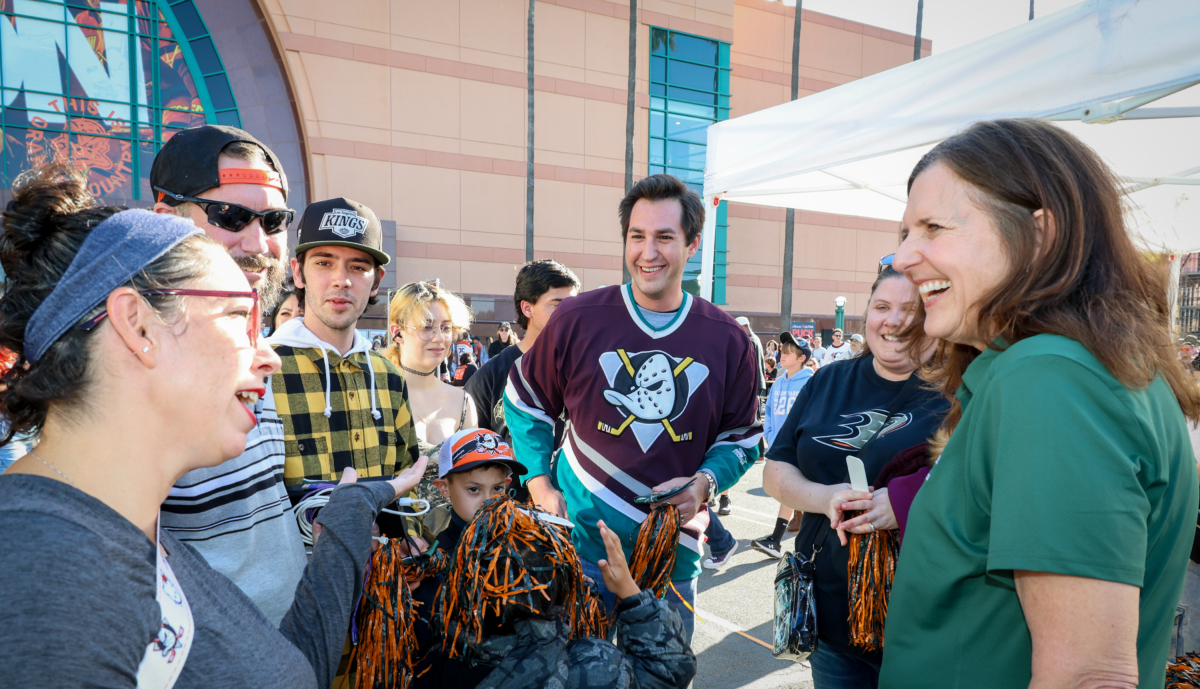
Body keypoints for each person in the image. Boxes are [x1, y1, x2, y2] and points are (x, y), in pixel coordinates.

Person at [0, 165, 430, 687]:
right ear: (137, 325)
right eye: (236, 317)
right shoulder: (41, 575)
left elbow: (290, 664)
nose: (269, 356)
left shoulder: (133, 534)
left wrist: (353, 508)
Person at [880, 119, 1200, 689]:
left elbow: (1088, 675)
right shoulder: (1061, 368)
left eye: (933, 227)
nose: (903, 256)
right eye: (906, 231)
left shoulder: (1050, 377)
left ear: (1039, 234)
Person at [505, 173, 762, 642]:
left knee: (662, 675)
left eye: (665, 237)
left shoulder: (726, 338)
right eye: (637, 236)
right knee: (580, 676)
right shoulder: (576, 319)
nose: (649, 252)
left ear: (692, 243)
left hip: (673, 556)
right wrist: (539, 482)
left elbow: (742, 438)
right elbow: (525, 402)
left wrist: (706, 483)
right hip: (580, 549)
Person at [150, 124, 308, 625]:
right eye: (230, 216)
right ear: (165, 218)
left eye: (274, 219)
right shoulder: (141, 353)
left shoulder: (255, 341)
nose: (257, 241)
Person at [762, 266, 947, 688]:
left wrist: (904, 505)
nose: (894, 320)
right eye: (882, 306)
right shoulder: (829, 380)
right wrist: (823, 496)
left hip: (922, 624)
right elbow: (775, 472)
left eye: (911, 309)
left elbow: (979, 483)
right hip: (831, 618)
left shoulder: (958, 388)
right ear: (867, 315)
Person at [266, 198, 423, 533]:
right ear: (298, 271)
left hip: (381, 578)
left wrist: (412, 541)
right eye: (324, 263)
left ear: (377, 280)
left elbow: (406, 483)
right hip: (291, 579)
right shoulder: (263, 370)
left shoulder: (389, 377)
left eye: (357, 266)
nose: (342, 280)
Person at [380, 280, 479, 535]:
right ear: (397, 332)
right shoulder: (377, 394)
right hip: (389, 546)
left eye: (446, 328)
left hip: (454, 551)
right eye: (427, 327)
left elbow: (474, 481)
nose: (439, 338)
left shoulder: (463, 402)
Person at [466, 259, 581, 442]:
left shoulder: (587, 368)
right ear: (527, 308)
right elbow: (470, 448)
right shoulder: (490, 376)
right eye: (557, 305)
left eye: (573, 306)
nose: (569, 314)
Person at [751, 332, 814, 559]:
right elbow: (769, 412)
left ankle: (778, 540)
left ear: (802, 358)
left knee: (793, 492)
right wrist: (769, 434)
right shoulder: (778, 382)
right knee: (791, 492)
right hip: (779, 445)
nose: (783, 355)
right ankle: (779, 541)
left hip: (799, 448)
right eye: (782, 352)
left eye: (788, 353)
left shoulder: (810, 381)